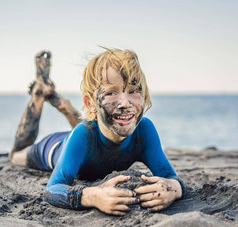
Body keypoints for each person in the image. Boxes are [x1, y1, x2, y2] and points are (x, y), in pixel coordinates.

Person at [9, 48, 186, 216]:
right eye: (110, 93)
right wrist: (93, 196)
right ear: (90, 103)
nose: (125, 103)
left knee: (93, 125)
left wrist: (172, 189)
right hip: (54, 147)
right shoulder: (82, 135)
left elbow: (171, 177)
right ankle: (39, 96)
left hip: (89, 136)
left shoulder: (144, 131)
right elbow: (52, 190)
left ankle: (64, 105)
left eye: (133, 91)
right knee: (15, 156)